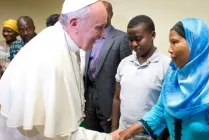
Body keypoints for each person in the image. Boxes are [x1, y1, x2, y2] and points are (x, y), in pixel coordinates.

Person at [0, 0, 121, 139]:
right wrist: (109, 138)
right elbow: (58, 135)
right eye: (98, 28)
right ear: (74, 23)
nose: (102, 35)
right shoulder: (52, 56)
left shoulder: (62, 39)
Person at [117, 18, 209, 140]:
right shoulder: (174, 75)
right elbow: (160, 111)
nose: (169, 49)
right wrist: (128, 133)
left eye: (174, 42)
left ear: (196, 43)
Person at [111, 15, 170, 139]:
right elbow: (117, 98)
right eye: (130, 40)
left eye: (138, 39)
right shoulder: (124, 63)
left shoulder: (167, 66)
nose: (133, 44)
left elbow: (168, 109)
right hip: (123, 134)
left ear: (152, 35)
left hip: (151, 136)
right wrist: (114, 128)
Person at [84, 0, 131, 133]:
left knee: (109, 134)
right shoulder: (89, 37)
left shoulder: (122, 38)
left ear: (111, 14)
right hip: (89, 96)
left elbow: (126, 74)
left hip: (110, 99)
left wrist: (119, 106)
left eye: (105, 12)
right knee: (90, 133)